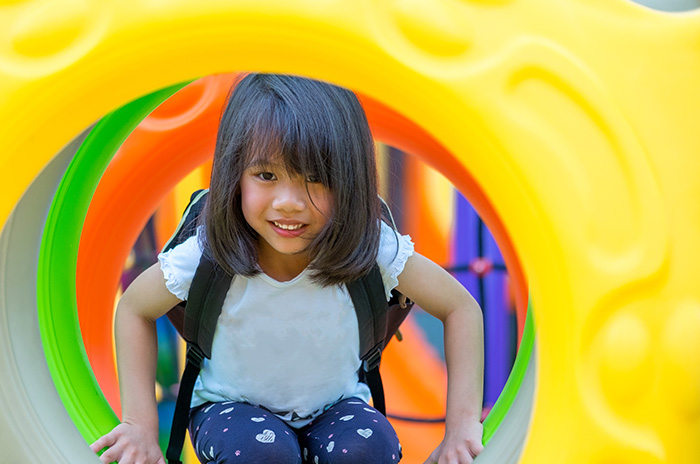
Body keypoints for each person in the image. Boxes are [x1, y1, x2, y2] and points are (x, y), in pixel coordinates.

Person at [90, 73, 485, 464]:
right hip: (231, 408)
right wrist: (140, 426)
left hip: (336, 408)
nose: (288, 202)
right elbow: (135, 307)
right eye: (266, 175)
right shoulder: (209, 252)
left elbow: (460, 307)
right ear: (234, 176)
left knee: (367, 448)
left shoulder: (371, 246)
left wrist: (461, 428)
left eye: (316, 178)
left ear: (350, 182)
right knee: (264, 453)